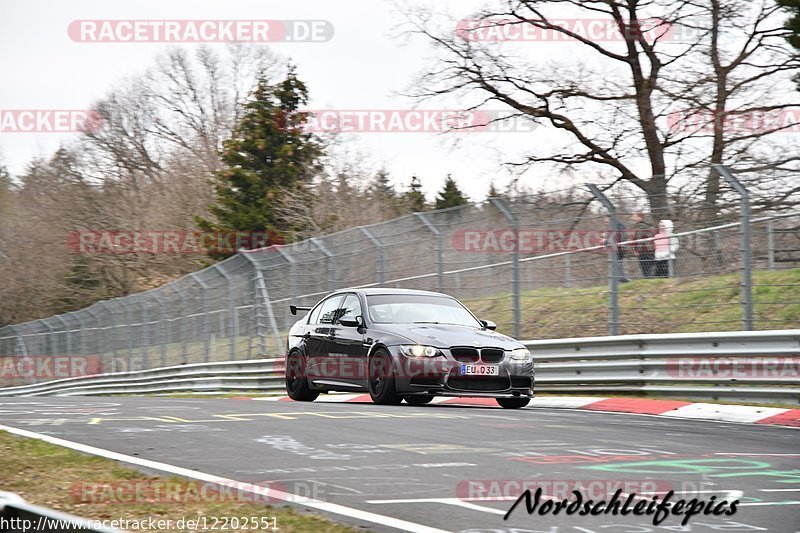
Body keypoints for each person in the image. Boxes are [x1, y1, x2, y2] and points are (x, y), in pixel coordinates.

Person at [603, 216, 629, 283]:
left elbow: (612, 239)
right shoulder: (619, 226)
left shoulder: (613, 227)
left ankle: (620, 279)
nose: (605, 222)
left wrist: (605, 242)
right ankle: (621, 279)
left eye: (606, 220)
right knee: (620, 264)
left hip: (616, 249)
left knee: (617, 264)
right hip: (621, 248)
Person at [631, 212, 656, 278]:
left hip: (644, 250)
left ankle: (649, 281)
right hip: (648, 250)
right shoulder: (646, 226)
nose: (633, 218)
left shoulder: (641, 226)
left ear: (640, 217)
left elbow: (637, 238)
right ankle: (649, 280)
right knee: (647, 268)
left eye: (635, 216)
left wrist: (635, 249)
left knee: (646, 268)